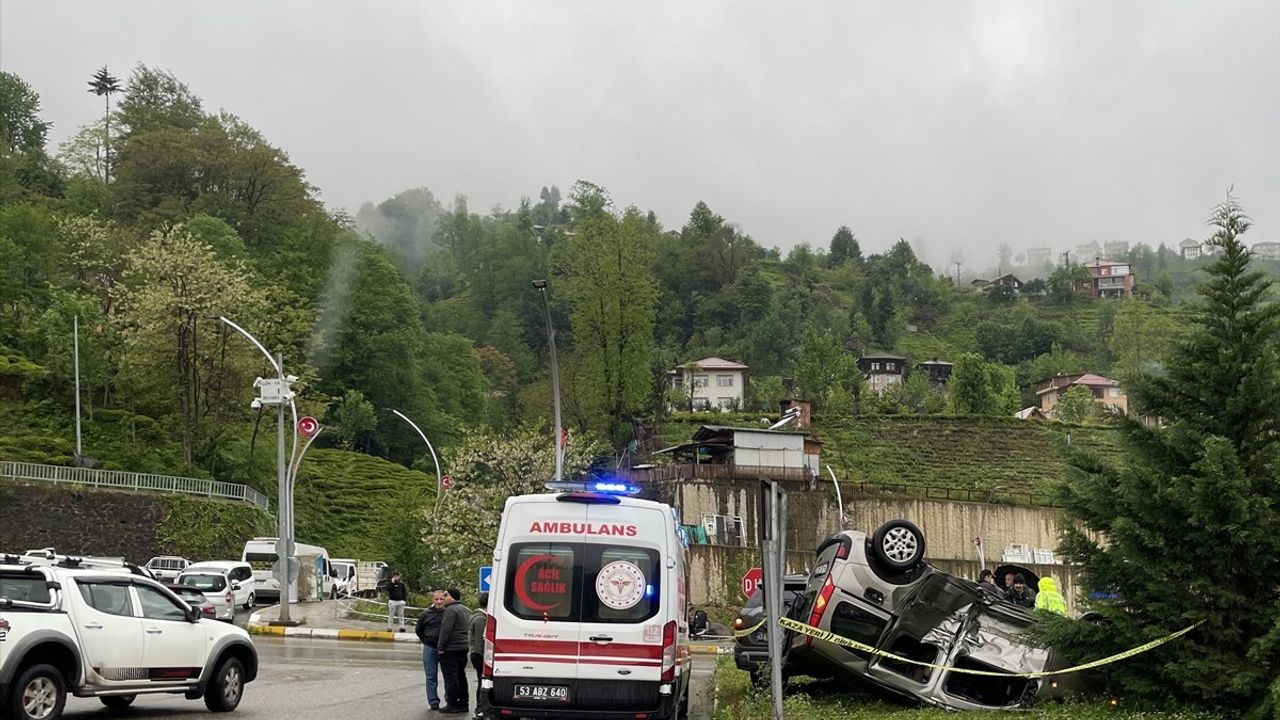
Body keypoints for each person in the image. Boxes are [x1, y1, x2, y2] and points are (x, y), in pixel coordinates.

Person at [437, 587, 471, 714]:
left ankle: (452, 703)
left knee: (451, 678)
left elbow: (446, 631)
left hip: (450, 649)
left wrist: (440, 648)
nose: (443, 598)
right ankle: (463, 703)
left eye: (445, 595)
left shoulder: (450, 610)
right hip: (463, 647)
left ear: (452, 597)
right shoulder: (466, 610)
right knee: (461, 676)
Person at [414, 590, 446, 710]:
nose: (439, 602)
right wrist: (426, 640)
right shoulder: (426, 614)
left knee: (448, 676)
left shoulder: (449, 613)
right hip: (430, 648)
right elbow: (418, 629)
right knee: (431, 676)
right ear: (433, 600)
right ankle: (433, 701)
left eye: (441, 599)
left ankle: (450, 701)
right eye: (436, 599)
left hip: (445, 649)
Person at [467, 591, 488, 719]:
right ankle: (479, 708)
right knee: (482, 682)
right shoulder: (481, 619)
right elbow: (480, 642)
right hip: (479, 654)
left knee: (481, 681)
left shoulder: (476, 616)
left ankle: (479, 708)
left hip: (475, 653)